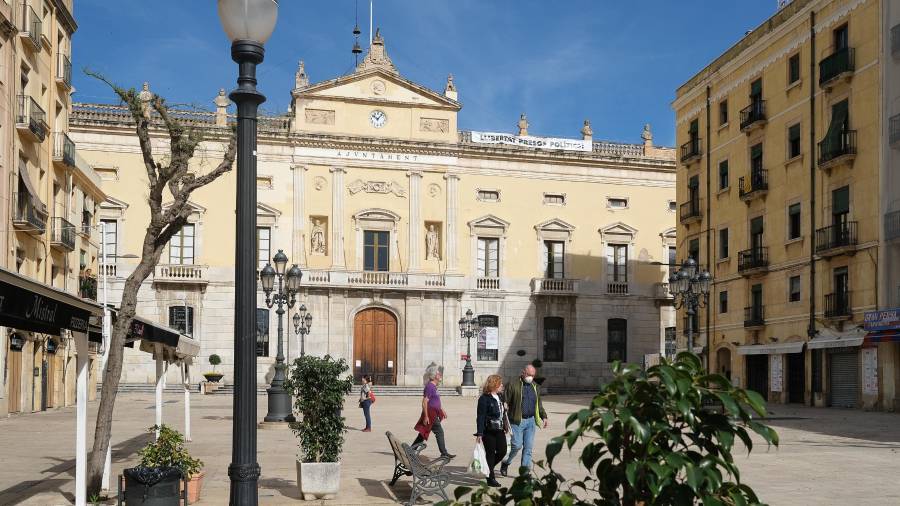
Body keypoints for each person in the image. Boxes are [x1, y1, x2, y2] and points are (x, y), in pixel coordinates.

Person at [500, 364, 548, 476]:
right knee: (516, 445)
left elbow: (538, 404)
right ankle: (506, 462)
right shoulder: (513, 384)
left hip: (531, 421)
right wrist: (504, 422)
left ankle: (525, 473)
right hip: (517, 420)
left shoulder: (535, 386)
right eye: (529, 375)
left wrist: (544, 416)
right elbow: (504, 402)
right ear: (523, 373)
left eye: (533, 375)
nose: (531, 377)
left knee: (528, 448)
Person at [412, 363, 454, 458]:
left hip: (433, 412)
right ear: (434, 376)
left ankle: (411, 450)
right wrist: (426, 416)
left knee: (423, 433)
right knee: (439, 431)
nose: (440, 376)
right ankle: (444, 453)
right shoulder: (430, 386)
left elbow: (436, 401)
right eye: (439, 374)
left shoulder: (433, 386)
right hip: (431, 414)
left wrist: (442, 410)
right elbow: (424, 402)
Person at [475, 375, 508, 487]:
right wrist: (480, 433)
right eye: (500, 384)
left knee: (502, 451)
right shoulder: (484, 398)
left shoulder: (500, 396)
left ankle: (488, 468)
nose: (502, 386)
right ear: (494, 384)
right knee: (490, 454)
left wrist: (505, 408)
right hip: (488, 430)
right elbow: (480, 416)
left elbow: (503, 413)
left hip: (500, 429)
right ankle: (490, 478)